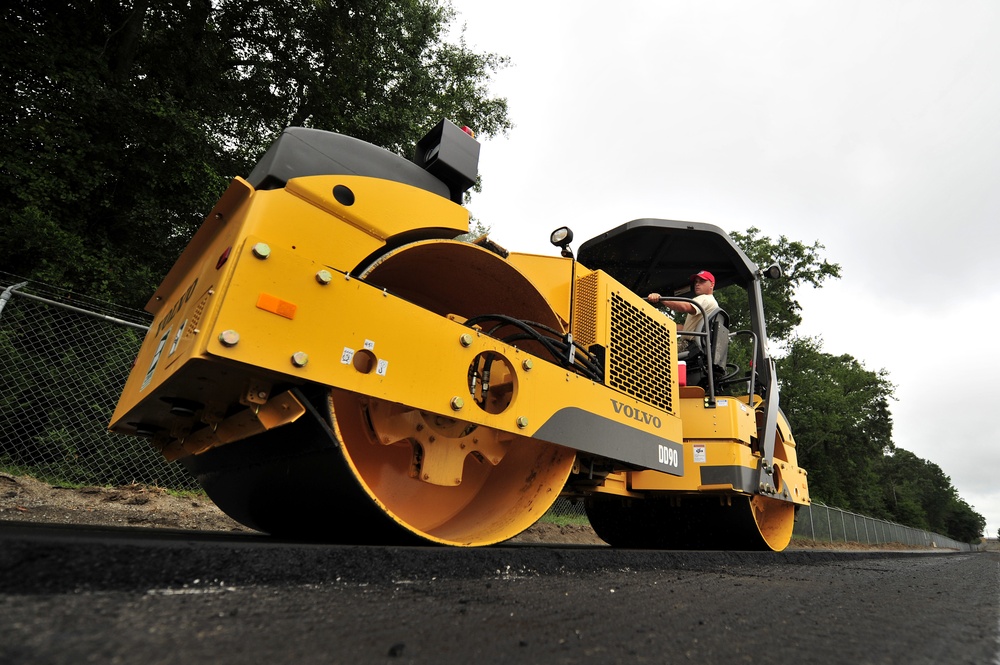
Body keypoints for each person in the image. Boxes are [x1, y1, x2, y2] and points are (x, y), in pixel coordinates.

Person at [647, 270, 718, 352]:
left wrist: (661, 299)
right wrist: (663, 326)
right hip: (696, 347)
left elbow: (685, 307)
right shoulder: (713, 304)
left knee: (650, 347)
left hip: (688, 346)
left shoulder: (705, 298)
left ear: (712, 285)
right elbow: (690, 329)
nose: (697, 284)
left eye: (702, 281)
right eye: (696, 282)